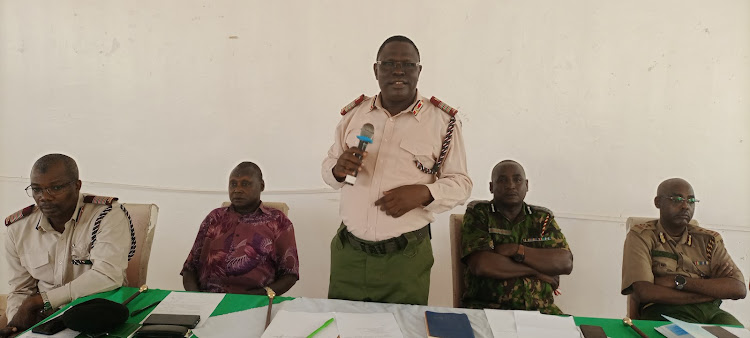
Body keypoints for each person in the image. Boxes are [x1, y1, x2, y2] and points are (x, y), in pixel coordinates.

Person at [322, 35, 472, 305]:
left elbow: (460, 183)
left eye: (407, 64)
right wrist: (337, 170)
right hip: (349, 254)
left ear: (419, 70)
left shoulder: (442, 121)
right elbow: (329, 165)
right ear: (376, 70)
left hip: (405, 258)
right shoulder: (354, 115)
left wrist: (424, 193)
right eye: (389, 63)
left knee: (402, 330)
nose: (398, 71)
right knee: (343, 326)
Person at [2, 154, 135, 337]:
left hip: (96, 317)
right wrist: (16, 324)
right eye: (36, 189)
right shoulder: (18, 228)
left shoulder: (107, 216)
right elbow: (21, 289)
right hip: (46, 322)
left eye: (55, 188)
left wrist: (42, 301)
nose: (44, 197)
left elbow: (107, 275)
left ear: (77, 185)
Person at [621, 178, 746, 324]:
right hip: (664, 310)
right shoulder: (642, 236)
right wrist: (711, 291)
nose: (685, 206)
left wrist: (678, 282)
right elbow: (644, 292)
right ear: (658, 202)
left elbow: (738, 289)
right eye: (677, 199)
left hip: (711, 312)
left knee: (737, 333)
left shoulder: (709, 239)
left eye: (691, 201)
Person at [460, 160, 573, 314]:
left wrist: (516, 250)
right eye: (502, 180)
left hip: (542, 310)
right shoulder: (479, 213)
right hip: (489, 309)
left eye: (517, 179)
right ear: (491, 187)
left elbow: (564, 262)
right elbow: (482, 264)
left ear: (526, 184)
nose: (511, 185)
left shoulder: (542, 218)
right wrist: (537, 272)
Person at [181, 162, 299, 297]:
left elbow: (290, 273)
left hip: (255, 301)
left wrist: (261, 295)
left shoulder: (278, 221)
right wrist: (195, 298)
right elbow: (189, 268)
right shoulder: (214, 218)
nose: (237, 189)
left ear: (261, 186)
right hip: (208, 299)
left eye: (245, 184)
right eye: (233, 184)